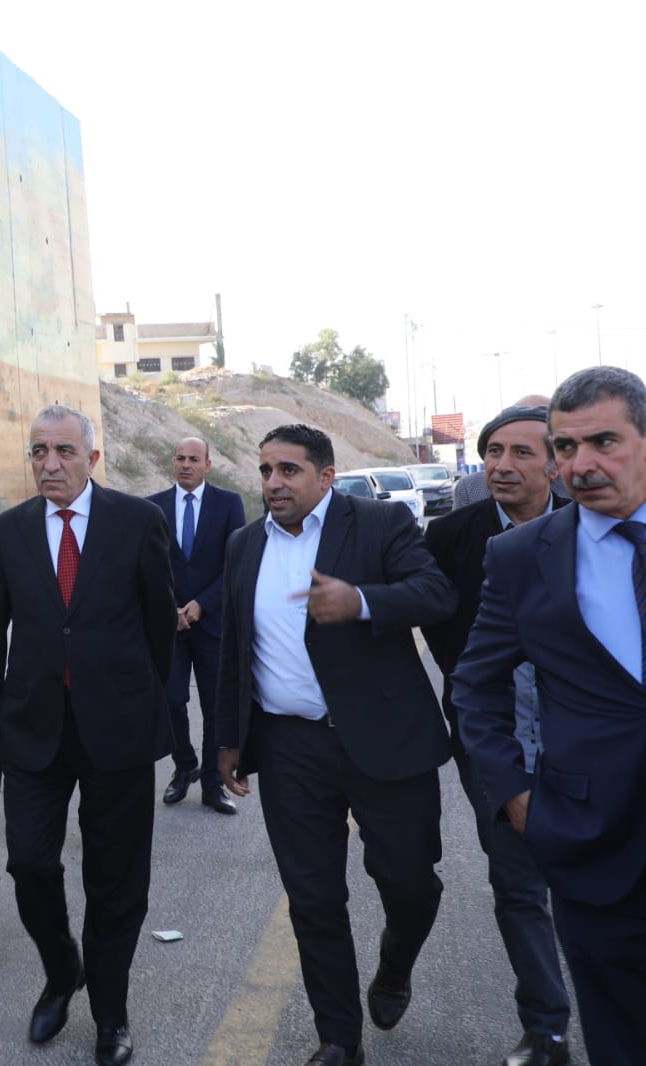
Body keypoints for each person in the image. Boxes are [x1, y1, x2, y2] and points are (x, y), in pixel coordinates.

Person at [216, 424, 456, 1066]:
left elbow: (436, 593)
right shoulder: (244, 544)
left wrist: (361, 602)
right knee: (314, 898)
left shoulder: (378, 524)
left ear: (325, 476)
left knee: (409, 883)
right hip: (288, 746)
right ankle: (339, 1038)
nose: (273, 483)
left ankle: (395, 965)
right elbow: (234, 645)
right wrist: (227, 739)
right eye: (265, 470)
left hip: (384, 738)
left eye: (289, 470)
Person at [0, 404, 174, 1066]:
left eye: (63, 451)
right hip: (32, 729)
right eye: (38, 451)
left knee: (116, 880)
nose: (49, 464)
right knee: (29, 863)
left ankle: (110, 1011)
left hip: (116, 730)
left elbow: (159, 626)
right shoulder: (7, 531)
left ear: (91, 457)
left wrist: (139, 701)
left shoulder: (137, 521)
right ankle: (63, 971)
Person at [454, 367, 646, 1066]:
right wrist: (514, 793)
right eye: (566, 447)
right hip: (591, 842)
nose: (581, 464)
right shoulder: (519, 557)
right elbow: (475, 685)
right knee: (620, 1035)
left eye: (603, 442)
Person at [423, 404, 572, 1066]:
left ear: (554, 465)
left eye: (520, 453)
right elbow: (436, 622)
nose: (502, 465)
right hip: (492, 739)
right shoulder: (451, 535)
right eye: (492, 452)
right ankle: (547, 1028)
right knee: (517, 883)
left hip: (583, 740)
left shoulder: (592, 528)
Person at [146, 436, 246, 815]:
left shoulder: (228, 504)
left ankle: (212, 783)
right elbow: (150, 566)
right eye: (180, 458)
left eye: (193, 459)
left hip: (214, 624)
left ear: (208, 464)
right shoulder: (153, 507)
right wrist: (168, 608)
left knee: (215, 707)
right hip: (170, 626)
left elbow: (235, 562)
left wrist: (203, 604)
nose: (185, 464)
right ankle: (184, 765)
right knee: (171, 699)